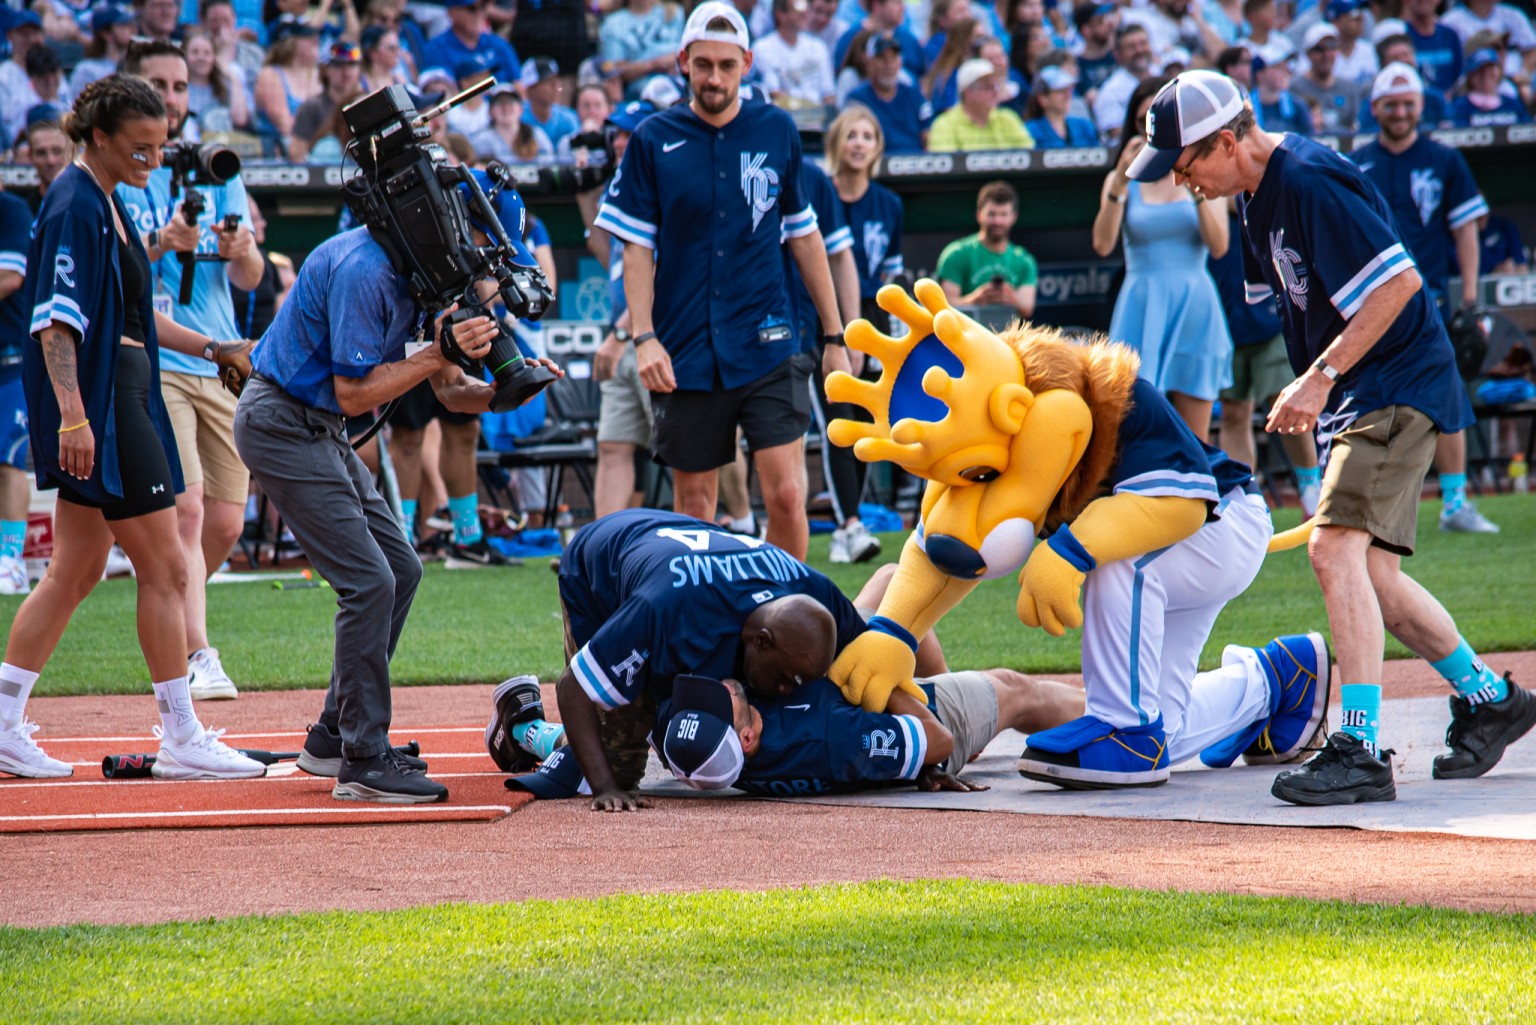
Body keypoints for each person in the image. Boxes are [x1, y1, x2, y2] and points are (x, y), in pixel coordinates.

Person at [1135, 68, 1536, 805]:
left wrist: (1319, 377)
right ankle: (1488, 699)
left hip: (1393, 382)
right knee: (1373, 578)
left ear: (1227, 141)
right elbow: (1294, 307)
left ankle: (1357, 746)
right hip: (1361, 390)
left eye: (1186, 162)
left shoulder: (1310, 179)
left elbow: (1398, 285)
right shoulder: (1252, 199)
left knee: (1332, 549)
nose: (1182, 179)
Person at [233, 166, 559, 800]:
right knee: (368, 580)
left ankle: (333, 736)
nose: (487, 274)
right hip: (282, 423)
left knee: (401, 569)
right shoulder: (364, 268)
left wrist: (499, 392)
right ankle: (362, 758)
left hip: (316, 426)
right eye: (484, 254)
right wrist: (439, 351)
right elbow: (356, 395)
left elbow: (447, 392)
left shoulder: (426, 272)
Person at [0, 75, 263, 781]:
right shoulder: (76, 203)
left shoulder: (105, 201)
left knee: (76, 569)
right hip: (108, 403)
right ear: (100, 138)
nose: (152, 156)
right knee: (169, 566)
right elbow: (55, 322)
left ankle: (1, 721)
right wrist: (76, 414)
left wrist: (215, 347)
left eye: (159, 145)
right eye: (140, 146)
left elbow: (137, 321)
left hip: (124, 392)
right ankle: (182, 735)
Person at [593, 2, 849, 562]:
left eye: (726, 65)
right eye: (703, 63)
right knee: (694, 507)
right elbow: (634, 248)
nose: (714, 77)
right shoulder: (651, 139)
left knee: (785, 493)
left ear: (747, 64)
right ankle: (704, 636)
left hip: (769, 339)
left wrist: (835, 337)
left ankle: (790, 630)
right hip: (684, 347)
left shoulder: (777, 128)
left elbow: (805, 237)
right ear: (682, 61)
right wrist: (644, 336)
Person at [116, 40, 264, 702]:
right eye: (157, 84)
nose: (172, 98)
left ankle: (168, 599)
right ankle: (200, 651)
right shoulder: (122, 169)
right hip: (163, 357)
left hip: (221, 356)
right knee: (189, 506)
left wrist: (240, 249)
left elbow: (252, 274)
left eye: (178, 86)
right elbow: (123, 278)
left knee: (227, 522)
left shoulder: (216, 162)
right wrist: (159, 242)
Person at [549, 507, 869, 810]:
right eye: (786, 678)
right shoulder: (661, 610)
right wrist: (605, 786)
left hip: (682, 568)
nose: (788, 690)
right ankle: (524, 729)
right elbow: (573, 687)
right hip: (599, 572)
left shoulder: (815, 589)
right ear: (762, 641)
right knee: (616, 763)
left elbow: (871, 660)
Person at [1352, 62, 1500, 537]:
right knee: (1370, 399)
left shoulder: (1444, 158)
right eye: (1390, 104)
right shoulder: (1358, 161)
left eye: (1407, 102)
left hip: (1428, 297)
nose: (1399, 111)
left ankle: (1454, 501)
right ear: (1375, 108)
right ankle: (1374, 505)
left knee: (1446, 397)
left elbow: (1465, 230)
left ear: (1420, 105)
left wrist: (1471, 298)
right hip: (1372, 300)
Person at [1094, 75, 1231, 442]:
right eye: (1142, 121)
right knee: (1132, 434)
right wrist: (1120, 184)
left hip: (1195, 305)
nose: (1150, 128)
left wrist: (1192, 179)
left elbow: (1219, 246)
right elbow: (1103, 245)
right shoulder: (1121, 180)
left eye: (1157, 118)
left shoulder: (1205, 172)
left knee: (1196, 439)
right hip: (1141, 304)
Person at [1208, 197, 1322, 515]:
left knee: (1283, 405)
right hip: (1223, 323)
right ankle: (1245, 499)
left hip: (1269, 320)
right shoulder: (1197, 195)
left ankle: (1311, 486)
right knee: (1234, 412)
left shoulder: (1254, 192)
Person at [824, 104, 903, 562]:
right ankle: (847, 523)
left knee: (867, 421)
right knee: (838, 416)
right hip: (826, 318)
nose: (859, 143)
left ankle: (848, 523)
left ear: (877, 147)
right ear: (837, 143)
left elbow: (891, 277)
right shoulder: (820, 194)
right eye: (851, 135)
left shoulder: (889, 204)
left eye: (867, 136)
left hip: (872, 315)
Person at [590, 101, 658, 520]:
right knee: (612, 444)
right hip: (625, 337)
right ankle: (599, 549)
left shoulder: (662, 185)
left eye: (628, 134)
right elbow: (603, 251)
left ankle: (738, 519)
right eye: (614, 134)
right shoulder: (619, 188)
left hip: (654, 336)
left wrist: (619, 336)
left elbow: (660, 274)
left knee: (685, 450)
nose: (618, 142)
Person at [935, 181, 1037, 325]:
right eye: (991, 214)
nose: (997, 221)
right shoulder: (956, 254)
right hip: (965, 338)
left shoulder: (1024, 260)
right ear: (979, 215)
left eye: (1003, 214)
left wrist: (1009, 297)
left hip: (1007, 340)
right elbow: (944, 308)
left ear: (1014, 217)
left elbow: (1027, 308)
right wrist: (975, 300)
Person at [0, 183, 32, 595]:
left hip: (10, 355)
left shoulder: (11, 210)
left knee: (9, 457)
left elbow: (10, 276)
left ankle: (11, 559)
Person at [845, 32, 933, 154]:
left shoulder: (914, 95)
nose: (889, 64)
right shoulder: (857, 99)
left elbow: (927, 138)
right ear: (869, 62)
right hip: (876, 164)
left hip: (915, 162)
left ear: (900, 62)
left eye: (893, 58)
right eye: (882, 58)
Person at [926, 58, 1034, 152]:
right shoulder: (945, 124)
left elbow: (1030, 159)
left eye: (996, 86)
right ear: (967, 93)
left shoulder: (1008, 118)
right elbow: (944, 170)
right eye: (987, 87)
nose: (995, 92)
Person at [253, 17, 322, 159]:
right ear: (292, 42)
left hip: (316, 147)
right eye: (309, 39)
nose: (315, 43)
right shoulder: (271, 74)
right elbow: (285, 126)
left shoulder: (317, 74)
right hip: (279, 149)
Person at [287, 40, 362, 164]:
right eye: (338, 65)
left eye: (352, 65)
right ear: (326, 69)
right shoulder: (312, 107)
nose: (346, 72)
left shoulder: (365, 103)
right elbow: (297, 154)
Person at [753, 0, 836, 106]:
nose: (805, 13)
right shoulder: (762, 48)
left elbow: (829, 93)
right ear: (780, 14)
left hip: (819, 116)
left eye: (806, 7)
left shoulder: (818, 47)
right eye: (798, 9)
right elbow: (773, 93)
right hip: (784, 115)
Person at [421, 0, 520, 87]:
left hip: (500, 104)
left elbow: (518, 86)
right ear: (451, 12)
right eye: (471, 9)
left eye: (483, 7)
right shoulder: (436, 49)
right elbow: (440, 94)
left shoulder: (499, 44)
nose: (479, 13)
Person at [1289, 22, 1366, 134]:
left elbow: (1355, 129)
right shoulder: (1295, 89)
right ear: (1307, 53)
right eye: (1318, 49)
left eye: (1331, 46)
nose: (1326, 54)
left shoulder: (1350, 89)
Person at [1092, 22, 1155, 141]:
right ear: (1118, 55)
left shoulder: (1163, 76)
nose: (1139, 50)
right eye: (1132, 47)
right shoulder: (1110, 92)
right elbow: (1117, 134)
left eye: (1143, 44)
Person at [471, 84, 555, 165]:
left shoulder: (536, 134)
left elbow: (549, 165)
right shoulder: (482, 139)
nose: (506, 108)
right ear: (490, 111)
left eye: (511, 102)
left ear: (520, 109)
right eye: (500, 103)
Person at [1449, 48, 1532, 127]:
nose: (1486, 75)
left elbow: (1527, 128)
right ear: (1470, 76)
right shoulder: (1460, 106)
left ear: (1499, 72)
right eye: (1480, 70)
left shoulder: (1511, 104)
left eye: (1490, 70)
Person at [1024, 64, 1099, 147]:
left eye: (1068, 90)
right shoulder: (1030, 131)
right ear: (1042, 98)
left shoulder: (1085, 126)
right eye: (1060, 91)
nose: (1067, 95)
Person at [70, 5, 137, 96]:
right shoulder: (87, 70)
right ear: (106, 33)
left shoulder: (137, 64)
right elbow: (78, 106)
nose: (132, 30)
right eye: (123, 25)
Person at [519, 56, 581, 151]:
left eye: (556, 80)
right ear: (531, 89)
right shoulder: (518, 117)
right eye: (547, 82)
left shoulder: (568, 117)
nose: (555, 86)